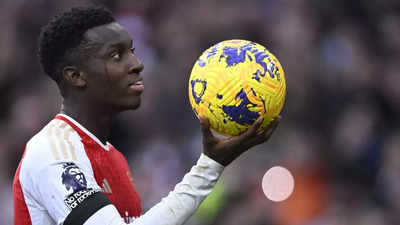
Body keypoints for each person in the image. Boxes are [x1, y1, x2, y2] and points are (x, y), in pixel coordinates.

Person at [12, 6, 281, 225]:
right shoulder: (52, 153)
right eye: (116, 56)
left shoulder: (114, 158)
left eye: (132, 51)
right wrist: (209, 167)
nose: (137, 65)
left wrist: (212, 163)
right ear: (76, 76)